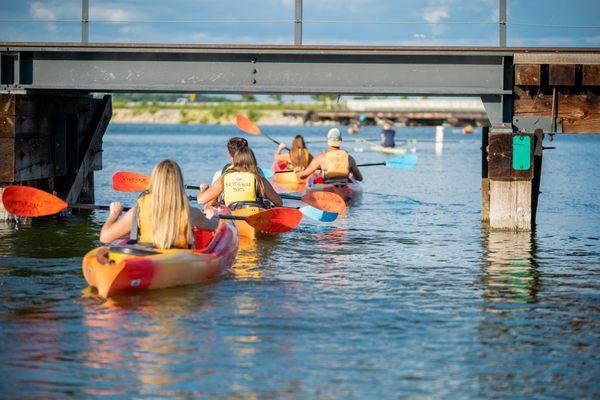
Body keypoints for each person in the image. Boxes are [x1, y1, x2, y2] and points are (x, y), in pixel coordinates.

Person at [99, 159, 217, 249]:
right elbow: (213, 226)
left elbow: (105, 238)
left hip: (147, 256)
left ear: (155, 181)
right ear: (179, 182)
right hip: (177, 259)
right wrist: (210, 216)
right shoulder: (190, 212)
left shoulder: (139, 210)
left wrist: (114, 214)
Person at [198, 146, 282, 210]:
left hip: (233, 214)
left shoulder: (225, 177)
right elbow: (279, 202)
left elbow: (201, 200)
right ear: (252, 160)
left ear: (235, 160)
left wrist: (203, 189)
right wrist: (267, 204)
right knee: (266, 204)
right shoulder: (259, 178)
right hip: (254, 214)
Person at [296, 128, 363, 183]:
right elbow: (359, 178)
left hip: (327, 187)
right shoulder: (349, 158)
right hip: (344, 187)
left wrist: (297, 172)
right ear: (341, 140)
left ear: (328, 140)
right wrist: (350, 175)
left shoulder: (320, 158)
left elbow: (303, 176)